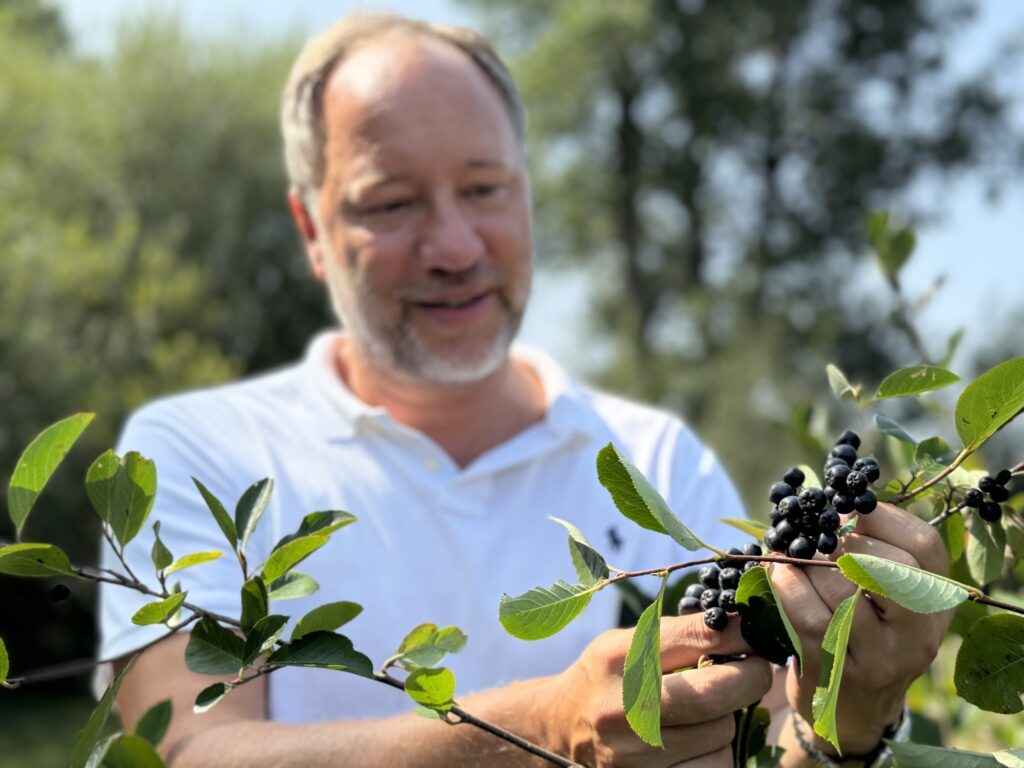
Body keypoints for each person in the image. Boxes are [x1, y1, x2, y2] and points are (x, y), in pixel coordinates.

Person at [97, 13, 950, 767]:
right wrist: (539, 732)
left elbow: (759, 754)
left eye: (484, 188)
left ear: (527, 191)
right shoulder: (197, 454)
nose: (455, 245)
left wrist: (847, 721)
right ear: (312, 231)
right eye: (390, 203)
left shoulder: (652, 461)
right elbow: (184, 749)